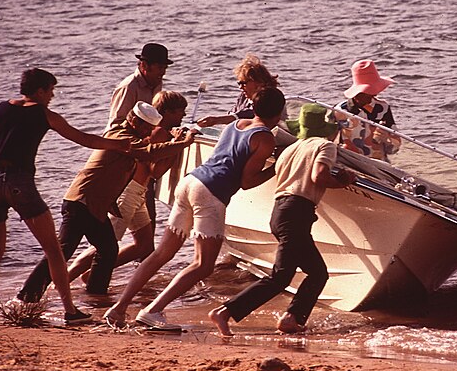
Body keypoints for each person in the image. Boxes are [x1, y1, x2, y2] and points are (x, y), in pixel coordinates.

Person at [103, 87, 286, 330]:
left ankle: (119, 308)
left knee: (162, 253)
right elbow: (247, 181)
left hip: (191, 182)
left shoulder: (237, 124)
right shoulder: (265, 138)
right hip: (211, 194)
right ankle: (153, 310)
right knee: (203, 264)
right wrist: (278, 165)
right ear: (279, 113)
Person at [0, 68, 130, 324]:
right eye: (50, 90)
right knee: (53, 248)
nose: (52, 96)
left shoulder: (0, 108)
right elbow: (82, 138)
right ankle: (70, 311)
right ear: (39, 91)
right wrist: (118, 144)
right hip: (20, 183)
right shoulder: (44, 114)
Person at [16, 101, 198, 303]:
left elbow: (147, 153)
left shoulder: (130, 137)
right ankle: (27, 296)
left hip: (95, 207)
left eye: (150, 128)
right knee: (63, 251)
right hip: (81, 202)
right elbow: (148, 152)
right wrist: (183, 143)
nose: (147, 132)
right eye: (145, 126)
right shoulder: (121, 137)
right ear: (133, 120)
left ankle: (95, 295)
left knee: (108, 249)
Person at [209, 103, 356, 336]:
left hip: (280, 211)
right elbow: (319, 176)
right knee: (280, 277)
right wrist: (343, 181)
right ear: (327, 130)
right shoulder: (325, 145)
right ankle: (225, 311)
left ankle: (292, 318)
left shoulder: (290, 149)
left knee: (318, 273)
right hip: (297, 212)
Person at [65, 91, 190, 284]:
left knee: (144, 245)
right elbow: (155, 170)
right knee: (104, 245)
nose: (183, 116)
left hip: (138, 193)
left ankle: (92, 274)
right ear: (167, 113)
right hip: (129, 193)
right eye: (180, 112)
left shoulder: (159, 132)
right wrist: (178, 146)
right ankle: (65, 279)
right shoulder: (159, 133)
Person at [107, 42, 174, 239]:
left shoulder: (156, 84)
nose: (163, 72)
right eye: (159, 68)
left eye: (164, 68)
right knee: (122, 220)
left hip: (145, 157)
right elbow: (115, 127)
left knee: (147, 222)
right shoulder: (129, 87)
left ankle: (141, 264)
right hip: (127, 160)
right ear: (144, 66)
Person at [333, 59, 401, 162]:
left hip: (378, 163)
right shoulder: (340, 111)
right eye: (367, 93)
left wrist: (386, 139)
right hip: (350, 161)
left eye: (373, 93)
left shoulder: (383, 108)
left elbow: (394, 147)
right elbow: (328, 139)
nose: (373, 96)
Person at [196, 53, 282, 128]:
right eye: (239, 84)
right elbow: (235, 112)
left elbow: (253, 114)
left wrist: (217, 120)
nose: (240, 87)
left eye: (243, 83)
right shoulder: (244, 97)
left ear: (258, 81)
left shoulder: (271, 97)